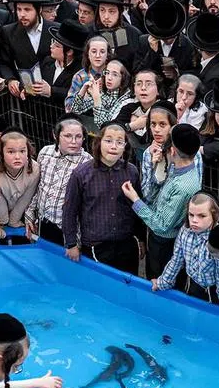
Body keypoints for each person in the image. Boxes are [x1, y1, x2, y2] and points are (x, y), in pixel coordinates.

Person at [123, 123, 203, 278]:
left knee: (158, 280)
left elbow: (162, 226)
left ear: (172, 151)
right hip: (160, 240)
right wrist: (156, 166)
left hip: (165, 244)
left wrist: (135, 200)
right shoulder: (177, 168)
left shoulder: (184, 186)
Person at [62, 122, 143, 275]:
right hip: (96, 245)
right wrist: (71, 243)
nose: (114, 146)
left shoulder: (132, 171)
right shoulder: (81, 174)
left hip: (126, 242)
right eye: (108, 140)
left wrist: (141, 239)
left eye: (119, 142)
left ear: (125, 146)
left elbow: (137, 208)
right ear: (99, 143)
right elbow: (69, 211)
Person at [153, 193, 219, 307]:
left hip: (213, 290)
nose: (194, 220)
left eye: (202, 216)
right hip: (192, 284)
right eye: (191, 215)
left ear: (214, 216)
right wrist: (163, 283)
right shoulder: (185, 231)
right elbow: (176, 259)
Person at [29, 115, 92, 245]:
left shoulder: (88, 163)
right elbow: (38, 186)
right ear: (56, 135)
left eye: (78, 137)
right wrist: (30, 215)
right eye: (68, 136)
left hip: (69, 229)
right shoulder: (45, 152)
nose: (74, 141)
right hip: (44, 221)